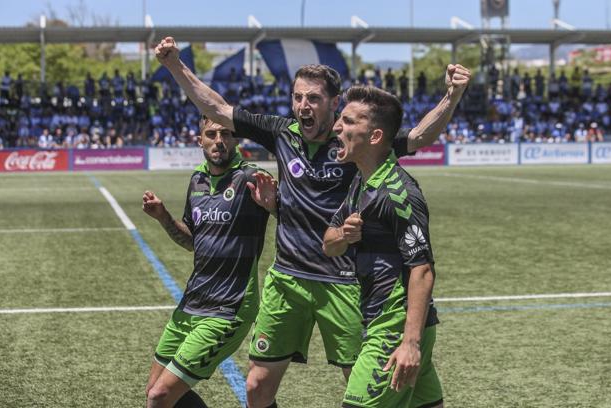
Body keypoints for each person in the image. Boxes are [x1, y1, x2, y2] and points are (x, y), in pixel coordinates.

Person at [154, 36, 470, 408]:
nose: (303, 105)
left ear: (334, 104)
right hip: (287, 279)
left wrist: (451, 96)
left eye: (314, 98)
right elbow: (219, 108)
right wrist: (175, 64)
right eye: (298, 97)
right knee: (256, 387)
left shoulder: (357, 141)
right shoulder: (281, 133)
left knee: (364, 380)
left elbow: (419, 137)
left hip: (344, 284)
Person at [143, 116, 277, 408]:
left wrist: (275, 205)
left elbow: (292, 216)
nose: (220, 140)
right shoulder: (197, 180)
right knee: (154, 389)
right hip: (192, 303)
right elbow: (193, 240)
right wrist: (163, 217)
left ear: (236, 139)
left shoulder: (250, 177)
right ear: (200, 140)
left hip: (229, 307)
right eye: (212, 134)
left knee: (160, 397)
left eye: (227, 134)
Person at [324, 85, 442, 407]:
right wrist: (345, 236)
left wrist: (410, 343)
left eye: (348, 122)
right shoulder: (362, 181)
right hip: (390, 323)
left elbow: (422, 269)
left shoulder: (398, 192)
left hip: (394, 328)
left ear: (374, 137)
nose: (336, 127)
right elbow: (328, 244)